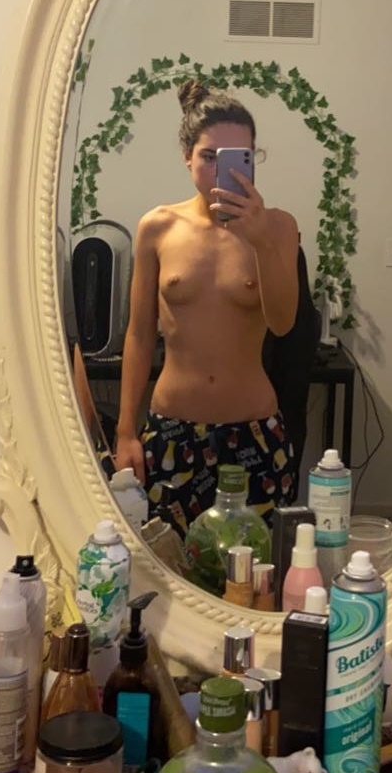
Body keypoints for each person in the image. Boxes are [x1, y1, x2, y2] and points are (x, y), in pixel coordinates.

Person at [114, 79, 300, 535]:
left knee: (255, 571)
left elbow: (283, 324)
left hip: (254, 432)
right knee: (166, 565)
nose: (221, 170)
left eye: (238, 157)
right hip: (172, 430)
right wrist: (125, 432)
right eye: (209, 156)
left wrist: (258, 240)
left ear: (252, 159)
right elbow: (139, 333)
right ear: (187, 157)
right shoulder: (158, 227)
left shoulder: (278, 227)